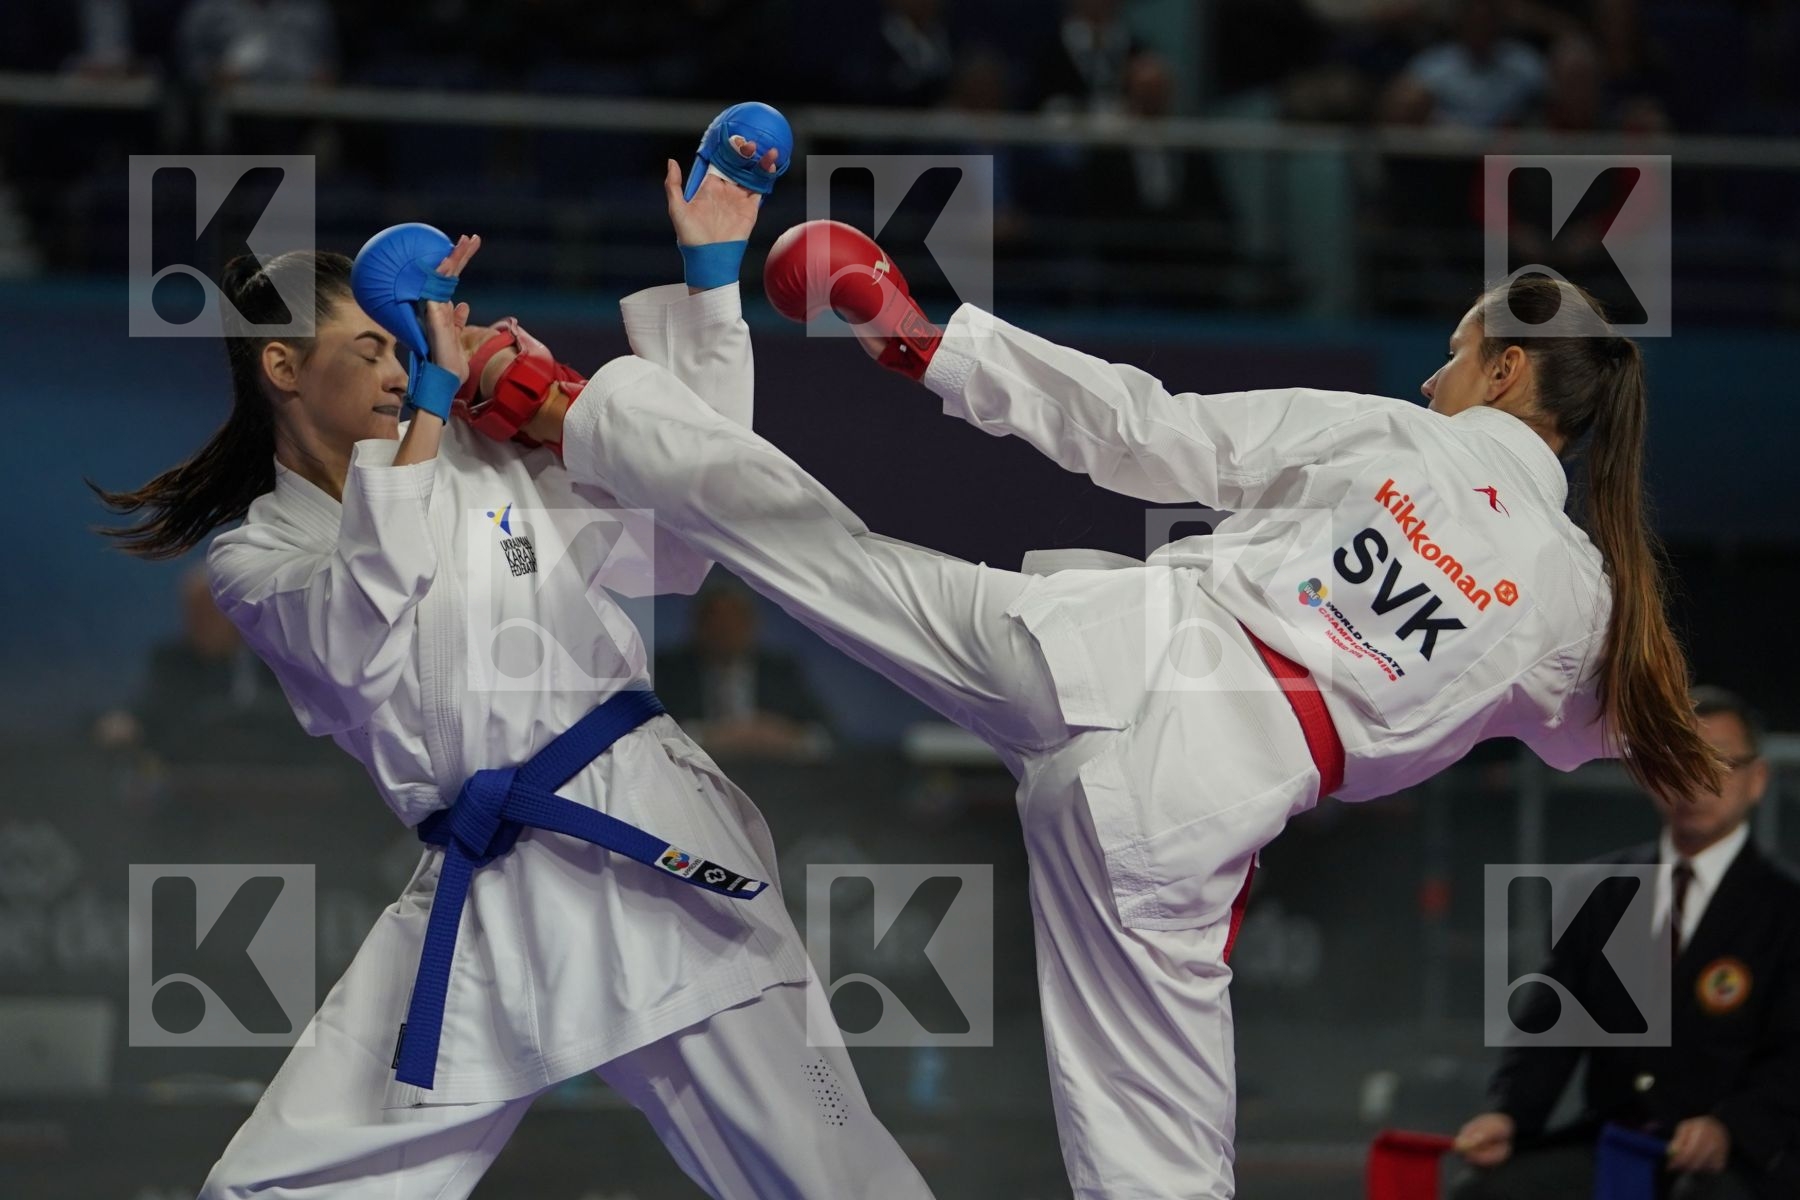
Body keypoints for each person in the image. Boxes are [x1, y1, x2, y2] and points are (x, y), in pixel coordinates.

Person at [490, 220, 1724, 1197]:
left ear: (1506, 368)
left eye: (1456, 352)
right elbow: (1610, 743)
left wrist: (941, 348)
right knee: (1160, 1166)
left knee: (825, 555)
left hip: (1101, 648)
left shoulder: (1398, 438)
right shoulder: (1581, 604)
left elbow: (1151, 436)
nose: (1433, 370)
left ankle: (572, 401)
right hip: (1193, 803)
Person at [88, 126, 933, 1199]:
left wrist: (708, 288)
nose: (403, 370)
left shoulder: (492, 455)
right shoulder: (259, 554)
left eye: (403, 349)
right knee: (268, 1188)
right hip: (486, 888)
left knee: (833, 1175)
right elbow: (356, 625)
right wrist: (437, 407)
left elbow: (691, 526)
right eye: (375, 352)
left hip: (643, 845)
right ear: (283, 367)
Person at [1451, 686, 1800, 1200]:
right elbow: (1551, 1024)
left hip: (1741, 1157)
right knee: (1485, 1191)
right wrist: (1508, 1114)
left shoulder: (1787, 907)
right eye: (1677, 758)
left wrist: (1730, 1127)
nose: (1696, 779)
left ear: (1757, 780)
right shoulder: (1600, 891)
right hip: (1616, 1143)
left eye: (1719, 762)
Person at [654, 580, 833, 760]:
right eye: (717, 621)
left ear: (752, 625)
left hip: (773, 779)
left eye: (735, 620)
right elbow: (652, 736)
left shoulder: (780, 672)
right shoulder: (670, 671)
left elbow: (826, 737)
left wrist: (789, 736)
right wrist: (708, 736)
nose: (726, 630)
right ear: (698, 625)